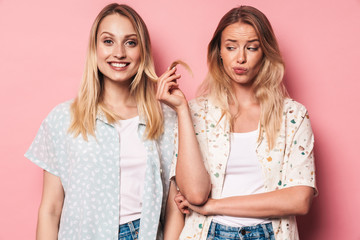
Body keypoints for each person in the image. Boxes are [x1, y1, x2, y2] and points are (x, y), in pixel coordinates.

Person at [158, 5, 317, 240]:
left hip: (271, 233)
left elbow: (299, 200)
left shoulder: (292, 116)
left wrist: (214, 206)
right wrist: (182, 110)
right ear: (219, 52)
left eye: (251, 48)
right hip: (208, 233)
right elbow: (194, 194)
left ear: (265, 52)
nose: (240, 58)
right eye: (231, 47)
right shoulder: (196, 112)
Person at [25, 3, 177, 240]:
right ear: (95, 49)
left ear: (143, 51)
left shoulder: (166, 119)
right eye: (108, 41)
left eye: (130, 42)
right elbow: (50, 210)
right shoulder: (63, 119)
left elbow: (174, 207)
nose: (119, 53)